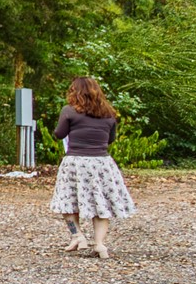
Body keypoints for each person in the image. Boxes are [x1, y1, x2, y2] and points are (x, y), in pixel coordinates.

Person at [49, 75, 134, 258]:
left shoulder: (68, 111)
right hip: (101, 163)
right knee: (101, 204)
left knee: (68, 201)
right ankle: (100, 245)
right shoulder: (109, 114)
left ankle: (77, 235)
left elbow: (59, 134)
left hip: (76, 162)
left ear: (75, 92)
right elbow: (110, 139)